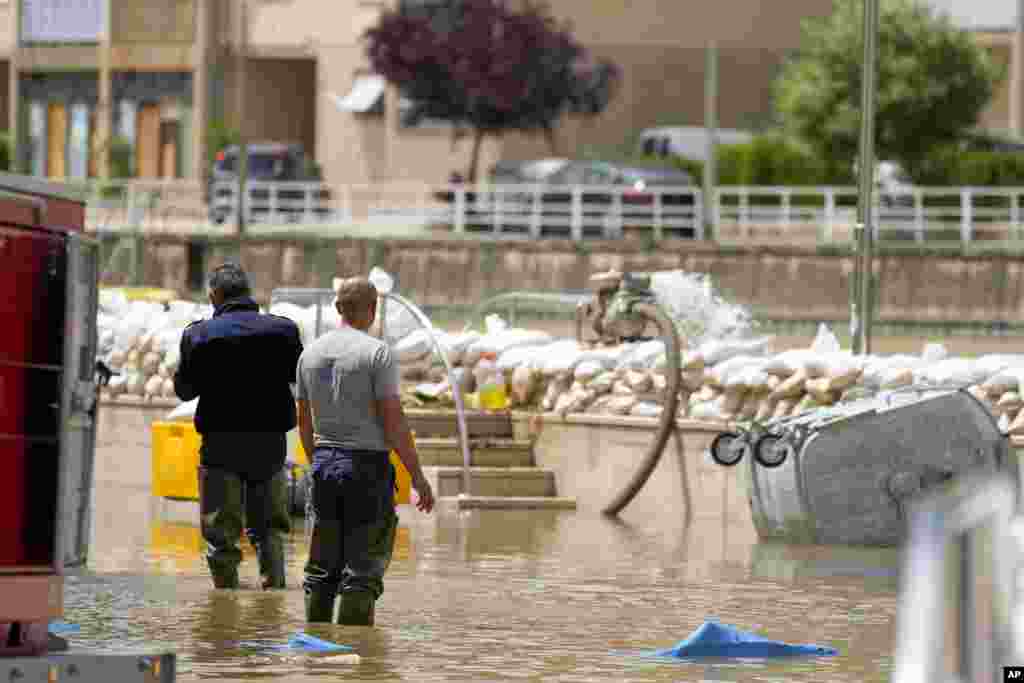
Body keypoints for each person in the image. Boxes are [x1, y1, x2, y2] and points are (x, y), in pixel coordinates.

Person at [296, 276, 435, 626]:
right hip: (366, 469)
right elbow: (393, 421)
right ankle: (355, 656)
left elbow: (303, 421)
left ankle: (316, 656)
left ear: (337, 308)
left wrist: (318, 462)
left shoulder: (309, 353)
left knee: (321, 570)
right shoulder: (377, 353)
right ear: (372, 310)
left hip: (324, 463)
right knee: (362, 571)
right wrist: (417, 476)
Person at [173, 263, 304, 590]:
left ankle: (224, 606)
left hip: (220, 446)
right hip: (269, 445)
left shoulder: (198, 335)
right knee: (269, 529)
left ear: (213, 296)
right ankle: (272, 601)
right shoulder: (283, 331)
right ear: (249, 293)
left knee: (220, 534)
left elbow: (185, 391)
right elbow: (297, 379)